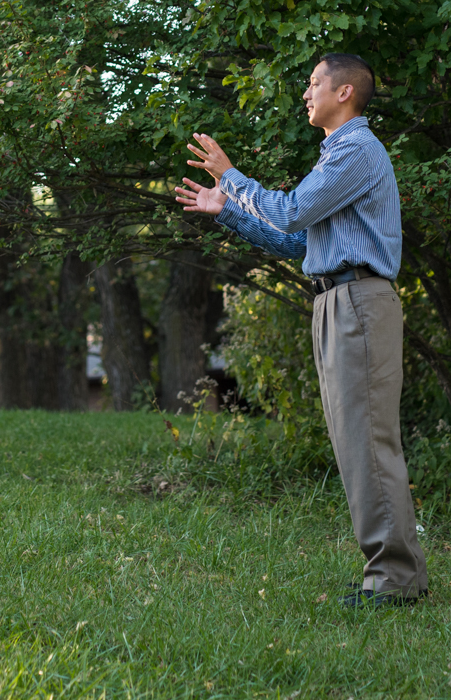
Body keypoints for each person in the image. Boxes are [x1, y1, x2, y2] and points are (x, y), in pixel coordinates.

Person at [174, 53, 428, 608]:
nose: (306, 92)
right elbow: (300, 243)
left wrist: (231, 176)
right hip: (338, 302)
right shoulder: (337, 154)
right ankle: (393, 575)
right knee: (355, 443)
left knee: (367, 442)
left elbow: (290, 212)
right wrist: (229, 212)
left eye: (314, 82)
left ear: (345, 92)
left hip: (359, 302)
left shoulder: (356, 150)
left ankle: (395, 582)